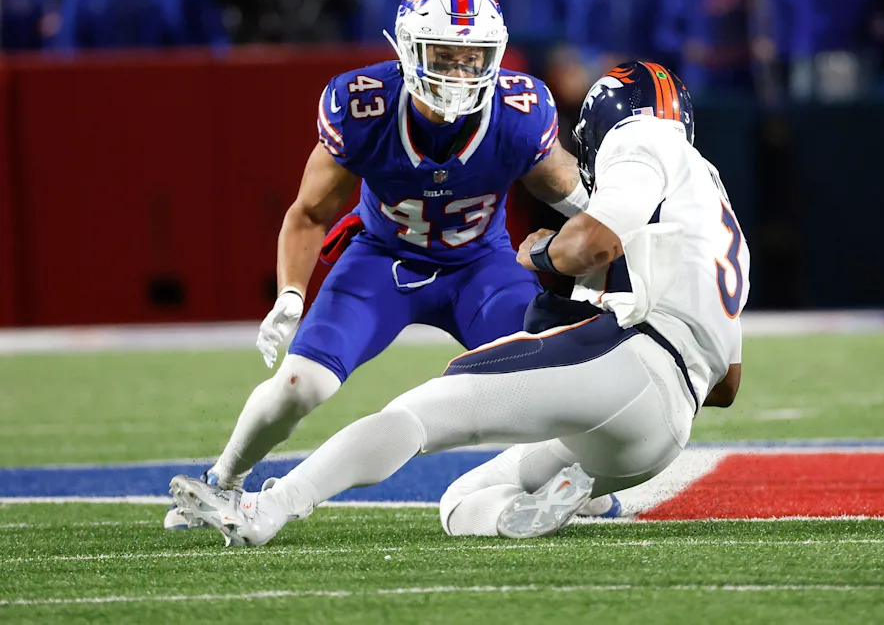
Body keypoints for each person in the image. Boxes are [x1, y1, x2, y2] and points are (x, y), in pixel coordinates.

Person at [169, 60, 751, 544]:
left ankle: (270, 510)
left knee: (421, 413)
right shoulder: (718, 210)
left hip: (583, 334)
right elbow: (726, 387)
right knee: (460, 502)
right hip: (662, 433)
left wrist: (543, 256)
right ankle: (552, 506)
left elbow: (589, 234)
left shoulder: (631, 137)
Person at [164, 0, 590, 529]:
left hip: (479, 269)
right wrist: (291, 294)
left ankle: (585, 476)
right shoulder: (364, 108)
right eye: (443, 55)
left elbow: (576, 200)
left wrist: (630, 234)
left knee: (553, 374)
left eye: (472, 57)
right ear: (409, 49)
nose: (459, 73)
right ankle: (221, 481)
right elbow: (310, 213)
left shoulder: (518, 113)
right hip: (383, 262)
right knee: (301, 385)